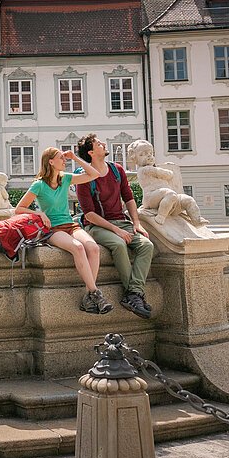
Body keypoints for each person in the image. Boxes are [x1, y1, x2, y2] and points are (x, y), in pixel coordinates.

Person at [13, 146, 112, 313]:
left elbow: (94, 174)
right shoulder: (39, 185)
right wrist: (39, 213)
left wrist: (75, 157)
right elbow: (19, 209)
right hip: (53, 229)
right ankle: (95, 293)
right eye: (61, 158)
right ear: (50, 162)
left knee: (93, 248)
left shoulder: (65, 178)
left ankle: (89, 295)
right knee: (78, 248)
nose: (64, 160)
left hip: (70, 225)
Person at [74, 134, 154, 319]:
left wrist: (136, 223)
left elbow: (129, 198)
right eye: (98, 143)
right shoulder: (84, 177)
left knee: (146, 245)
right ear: (91, 152)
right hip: (97, 226)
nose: (103, 143)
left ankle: (133, 293)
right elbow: (89, 214)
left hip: (121, 222)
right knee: (118, 244)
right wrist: (116, 230)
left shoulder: (117, 170)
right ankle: (133, 295)